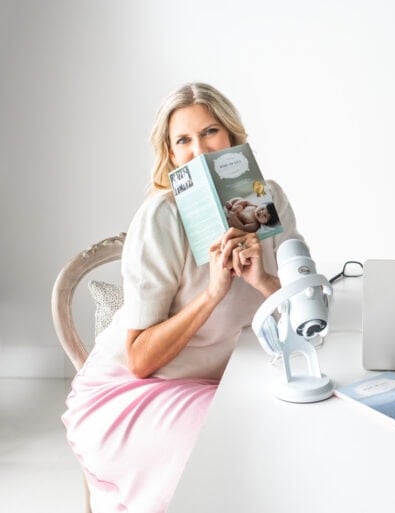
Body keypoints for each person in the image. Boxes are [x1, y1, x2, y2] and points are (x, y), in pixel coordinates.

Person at [61, 82, 304, 512]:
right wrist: (212, 293)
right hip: (140, 391)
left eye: (210, 132)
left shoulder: (271, 201)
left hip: (232, 380)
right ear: (172, 155)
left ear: (231, 137)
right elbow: (138, 359)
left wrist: (263, 281)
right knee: (231, 447)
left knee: (294, 428)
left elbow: (303, 315)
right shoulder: (160, 218)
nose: (200, 150)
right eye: (183, 140)